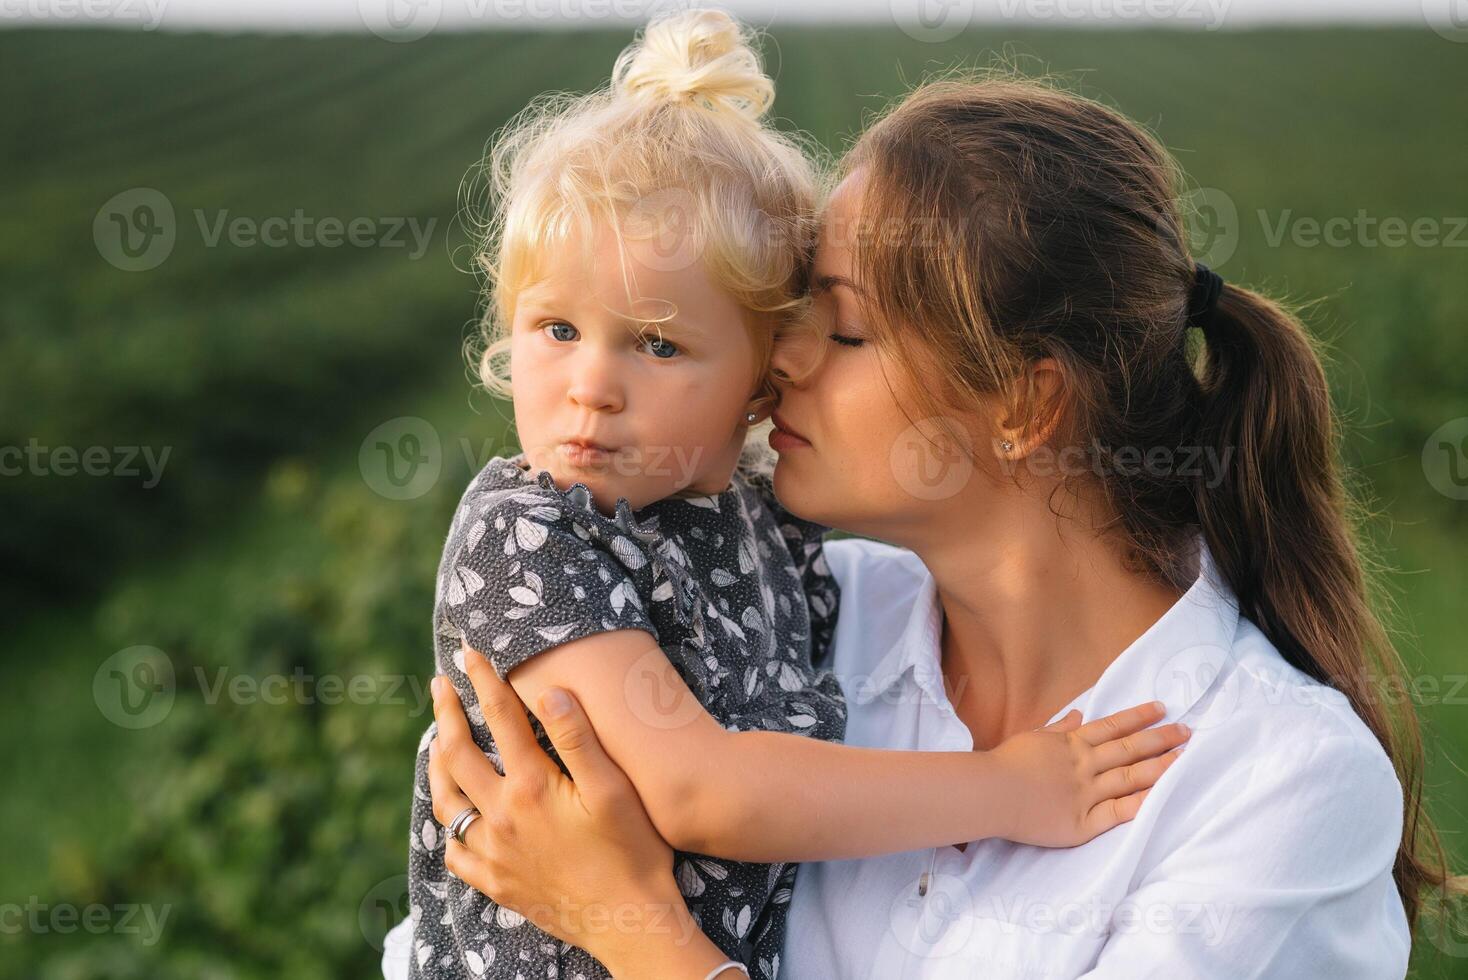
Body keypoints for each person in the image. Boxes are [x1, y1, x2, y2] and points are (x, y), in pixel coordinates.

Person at [415, 69, 1466, 978]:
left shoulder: (1274, 781)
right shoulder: (814, 618)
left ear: (1024, 404)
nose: (781, 359)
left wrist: (638, 927)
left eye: (849, 328)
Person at [398, 14, 1188, 980]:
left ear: (760, 376)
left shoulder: (770, 534)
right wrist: (1006, 789)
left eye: (656, 344)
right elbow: (700, 790)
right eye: (555, 328)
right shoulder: (528, 533)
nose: (591, 386)